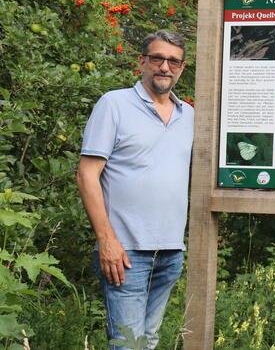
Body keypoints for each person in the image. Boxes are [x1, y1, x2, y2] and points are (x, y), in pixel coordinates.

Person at [76, 30, 194, 349]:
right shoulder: (114, 104)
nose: (164, 67)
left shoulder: (189, 116)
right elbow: (87, 175)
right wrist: (107, 241)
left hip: (170, 250)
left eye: (173, 61)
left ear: (182, 67)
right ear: (142, 62)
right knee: (128, 344)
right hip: (125, 253)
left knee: (149, 340)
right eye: (157, 58)